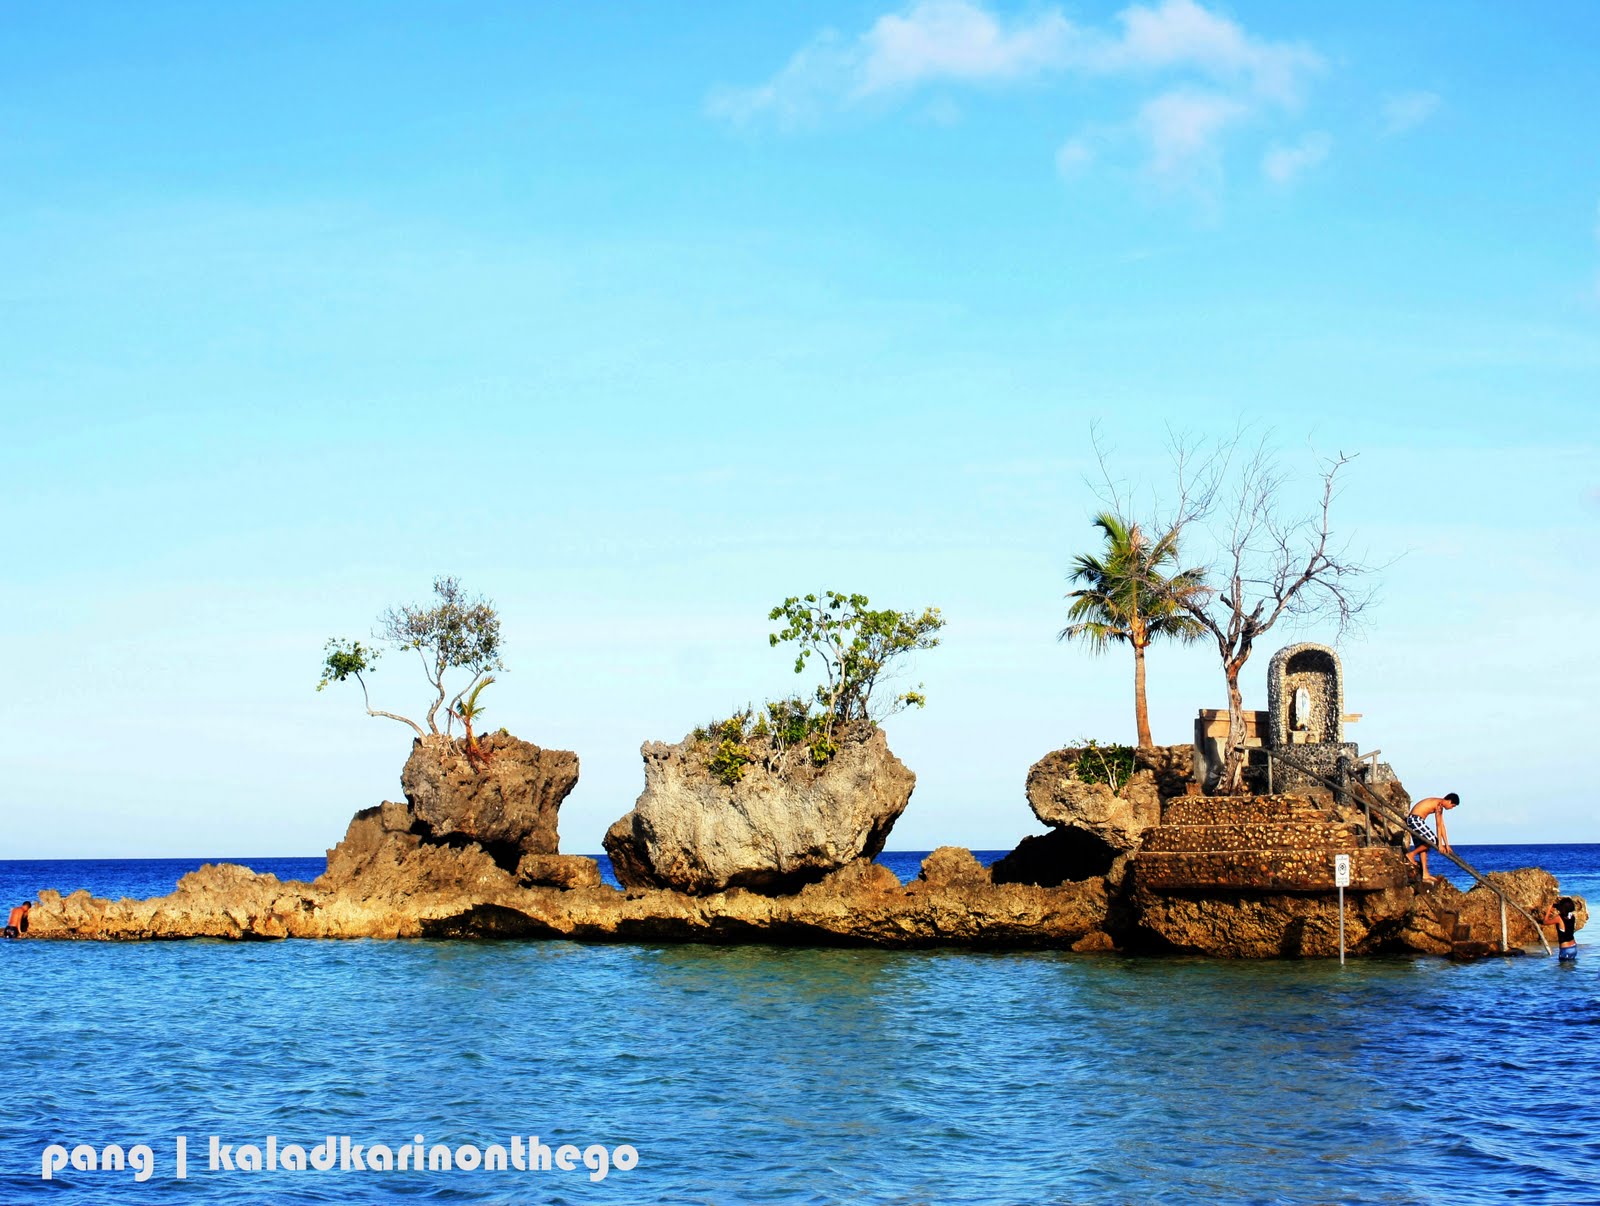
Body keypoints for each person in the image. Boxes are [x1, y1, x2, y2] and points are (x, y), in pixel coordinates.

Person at [1403, 794, 1459, 883]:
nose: (1451, 808)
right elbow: (1438, 826)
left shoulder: (1440, 805)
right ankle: (1411, 854)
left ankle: (1425, 874)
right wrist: (1440, 844)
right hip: (1415, 820)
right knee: (1432, 841)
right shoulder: (1439, 805)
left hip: (1416, 820)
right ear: (1449, 801)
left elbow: (1442, 825)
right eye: (1452, 806)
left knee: (1423, 848)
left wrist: (1446, 844)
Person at [1543, 896, 1579, 963]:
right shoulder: (1572, 916)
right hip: (1573, 947)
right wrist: (1556, 906)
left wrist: (1549, 910)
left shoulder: (1559, 918)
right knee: (1571, 968)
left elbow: (1545, 922)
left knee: (1562, 968)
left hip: (1565, 949)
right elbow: (1565, 910)